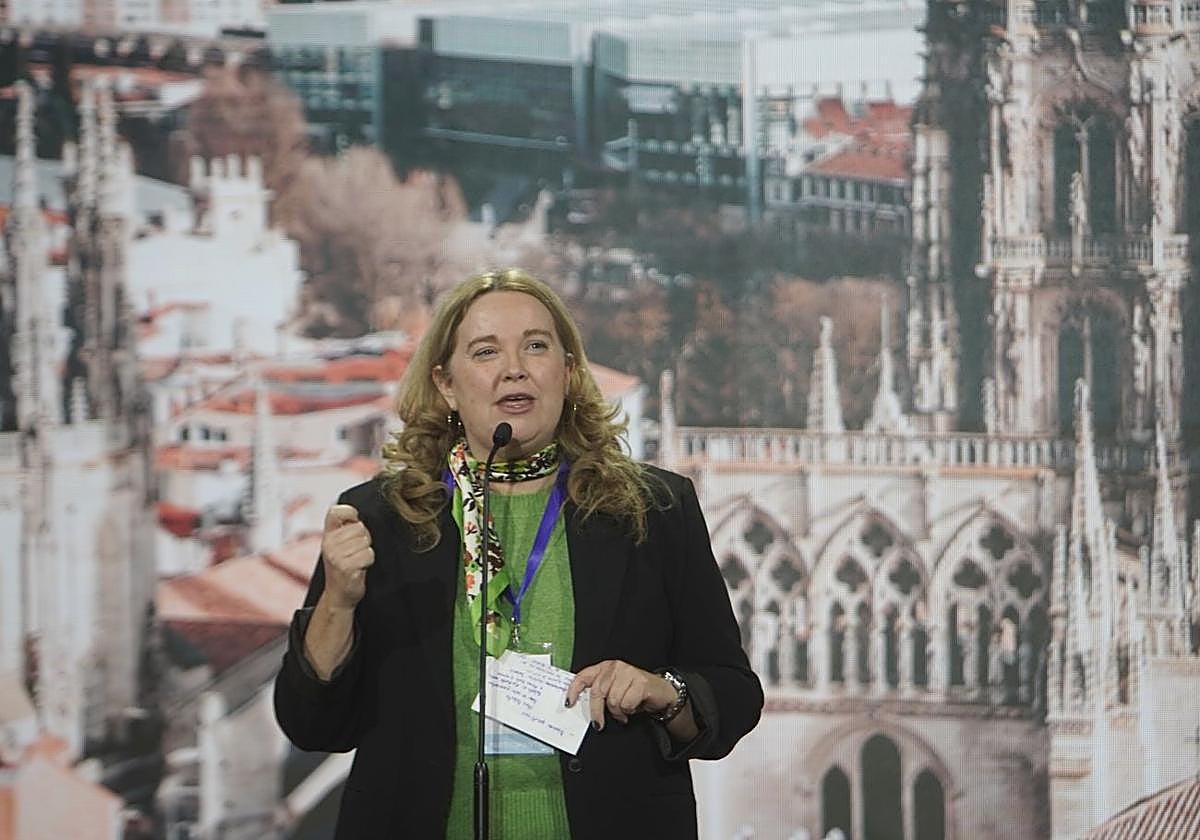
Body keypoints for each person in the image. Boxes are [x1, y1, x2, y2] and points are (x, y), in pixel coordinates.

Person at [274, 269, 763, 838]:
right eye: (486, 352)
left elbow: (733, 693)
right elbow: (312, 726)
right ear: (447, 384)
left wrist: (666, 693)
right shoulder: (382, 518)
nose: (515, 367)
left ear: (568, 371)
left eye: (536, 346)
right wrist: (339, 601)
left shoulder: (654, 509)